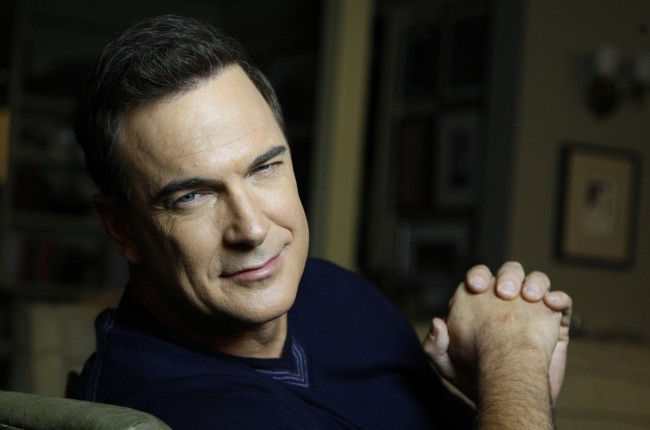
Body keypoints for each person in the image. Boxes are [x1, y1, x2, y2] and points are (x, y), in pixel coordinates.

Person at [73, 15, 572, 429]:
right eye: (193, 196)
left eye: (264, 168)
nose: (251, 229)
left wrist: (501, 393)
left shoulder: (336, 293)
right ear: (122, 228)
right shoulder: (177, 406)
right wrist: (514, 363)